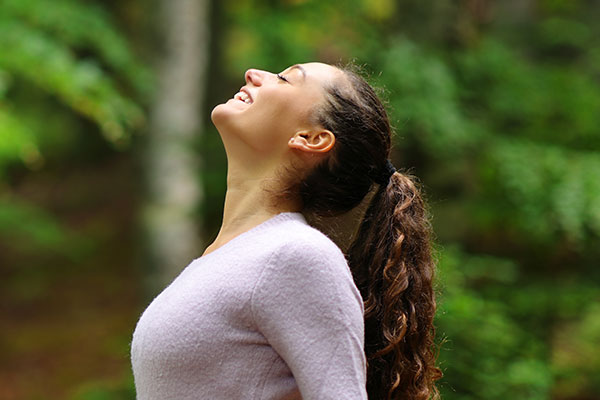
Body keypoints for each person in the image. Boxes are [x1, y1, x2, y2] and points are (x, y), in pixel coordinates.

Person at [131, 62, 441, 400]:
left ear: (311, 139)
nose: (253, 73)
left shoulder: (296, 256)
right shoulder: (230, 258)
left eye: (284, 78)